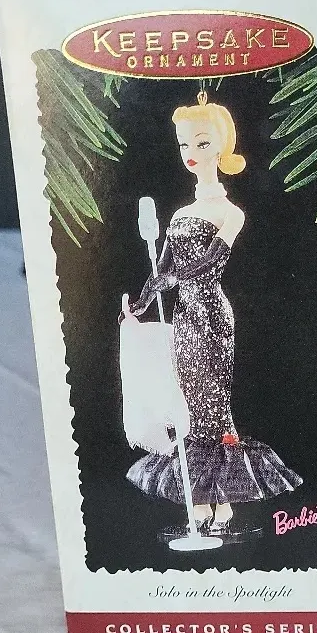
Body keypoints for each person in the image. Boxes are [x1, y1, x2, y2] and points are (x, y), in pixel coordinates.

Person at [123, 91, 302, 536]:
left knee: (213, 405)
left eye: (201, 143)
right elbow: (162, 268)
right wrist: (139, 306)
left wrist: (167, 282)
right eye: (184, 143)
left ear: (222, 147)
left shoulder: (229, 212)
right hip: (185, 317)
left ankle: (219, 505)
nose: (191, 152)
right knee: (189, 404)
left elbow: (208, 264)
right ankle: (206, 503)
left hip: (211, 315)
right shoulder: (181, 213)